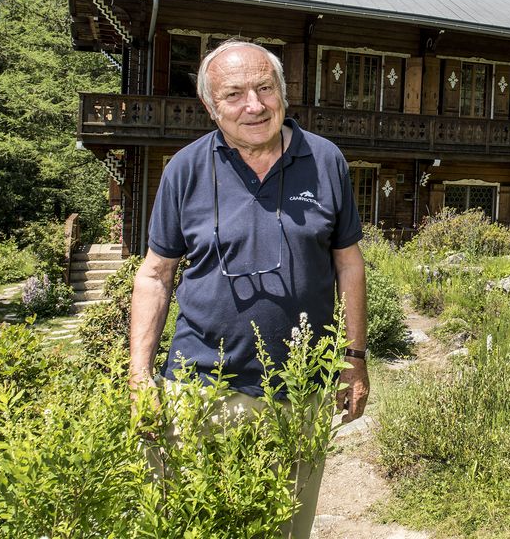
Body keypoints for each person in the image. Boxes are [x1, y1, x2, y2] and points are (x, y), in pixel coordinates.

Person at [129, 40, 369, 538]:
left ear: (283, 91)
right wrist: (139, 376)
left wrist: (354, 356)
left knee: (285, 528)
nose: (254, 105)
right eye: (235, 94)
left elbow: (349, 264)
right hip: (197, 388)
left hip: (299, 388)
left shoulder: (325, 161)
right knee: (194, 525)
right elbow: (155, 274)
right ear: (211, 107)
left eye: (265, 88)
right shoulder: (185, 169)